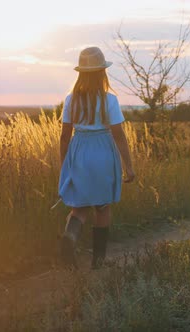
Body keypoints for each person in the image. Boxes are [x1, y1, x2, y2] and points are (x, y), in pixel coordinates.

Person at [58, 46, 135, 269]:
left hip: (79, 151)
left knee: (79, 207)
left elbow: (64, 137)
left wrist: (64, 166)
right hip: (102, 152)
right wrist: (128, 166)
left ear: (81, 73)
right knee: (102, 207)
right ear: (103, 72)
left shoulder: (71, 100)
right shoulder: (110, 100)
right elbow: (118, 134)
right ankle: (98, 262)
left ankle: (69, 238)